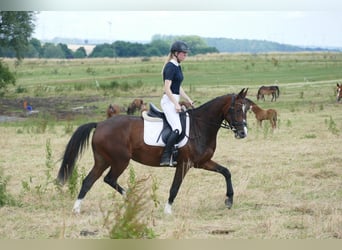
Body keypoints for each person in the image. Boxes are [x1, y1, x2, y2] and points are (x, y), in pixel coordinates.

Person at [159, 41, 194, 166]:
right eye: (183, 53)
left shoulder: (177, 66)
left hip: (174, 99)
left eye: (186, 53)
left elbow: (177, 87)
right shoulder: (170, 66)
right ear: (175, 53)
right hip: (168, 101)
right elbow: (167, 89)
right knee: (177, 128)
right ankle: (165, 156)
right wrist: (176, 104)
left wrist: (188, 99)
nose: (185, 55)